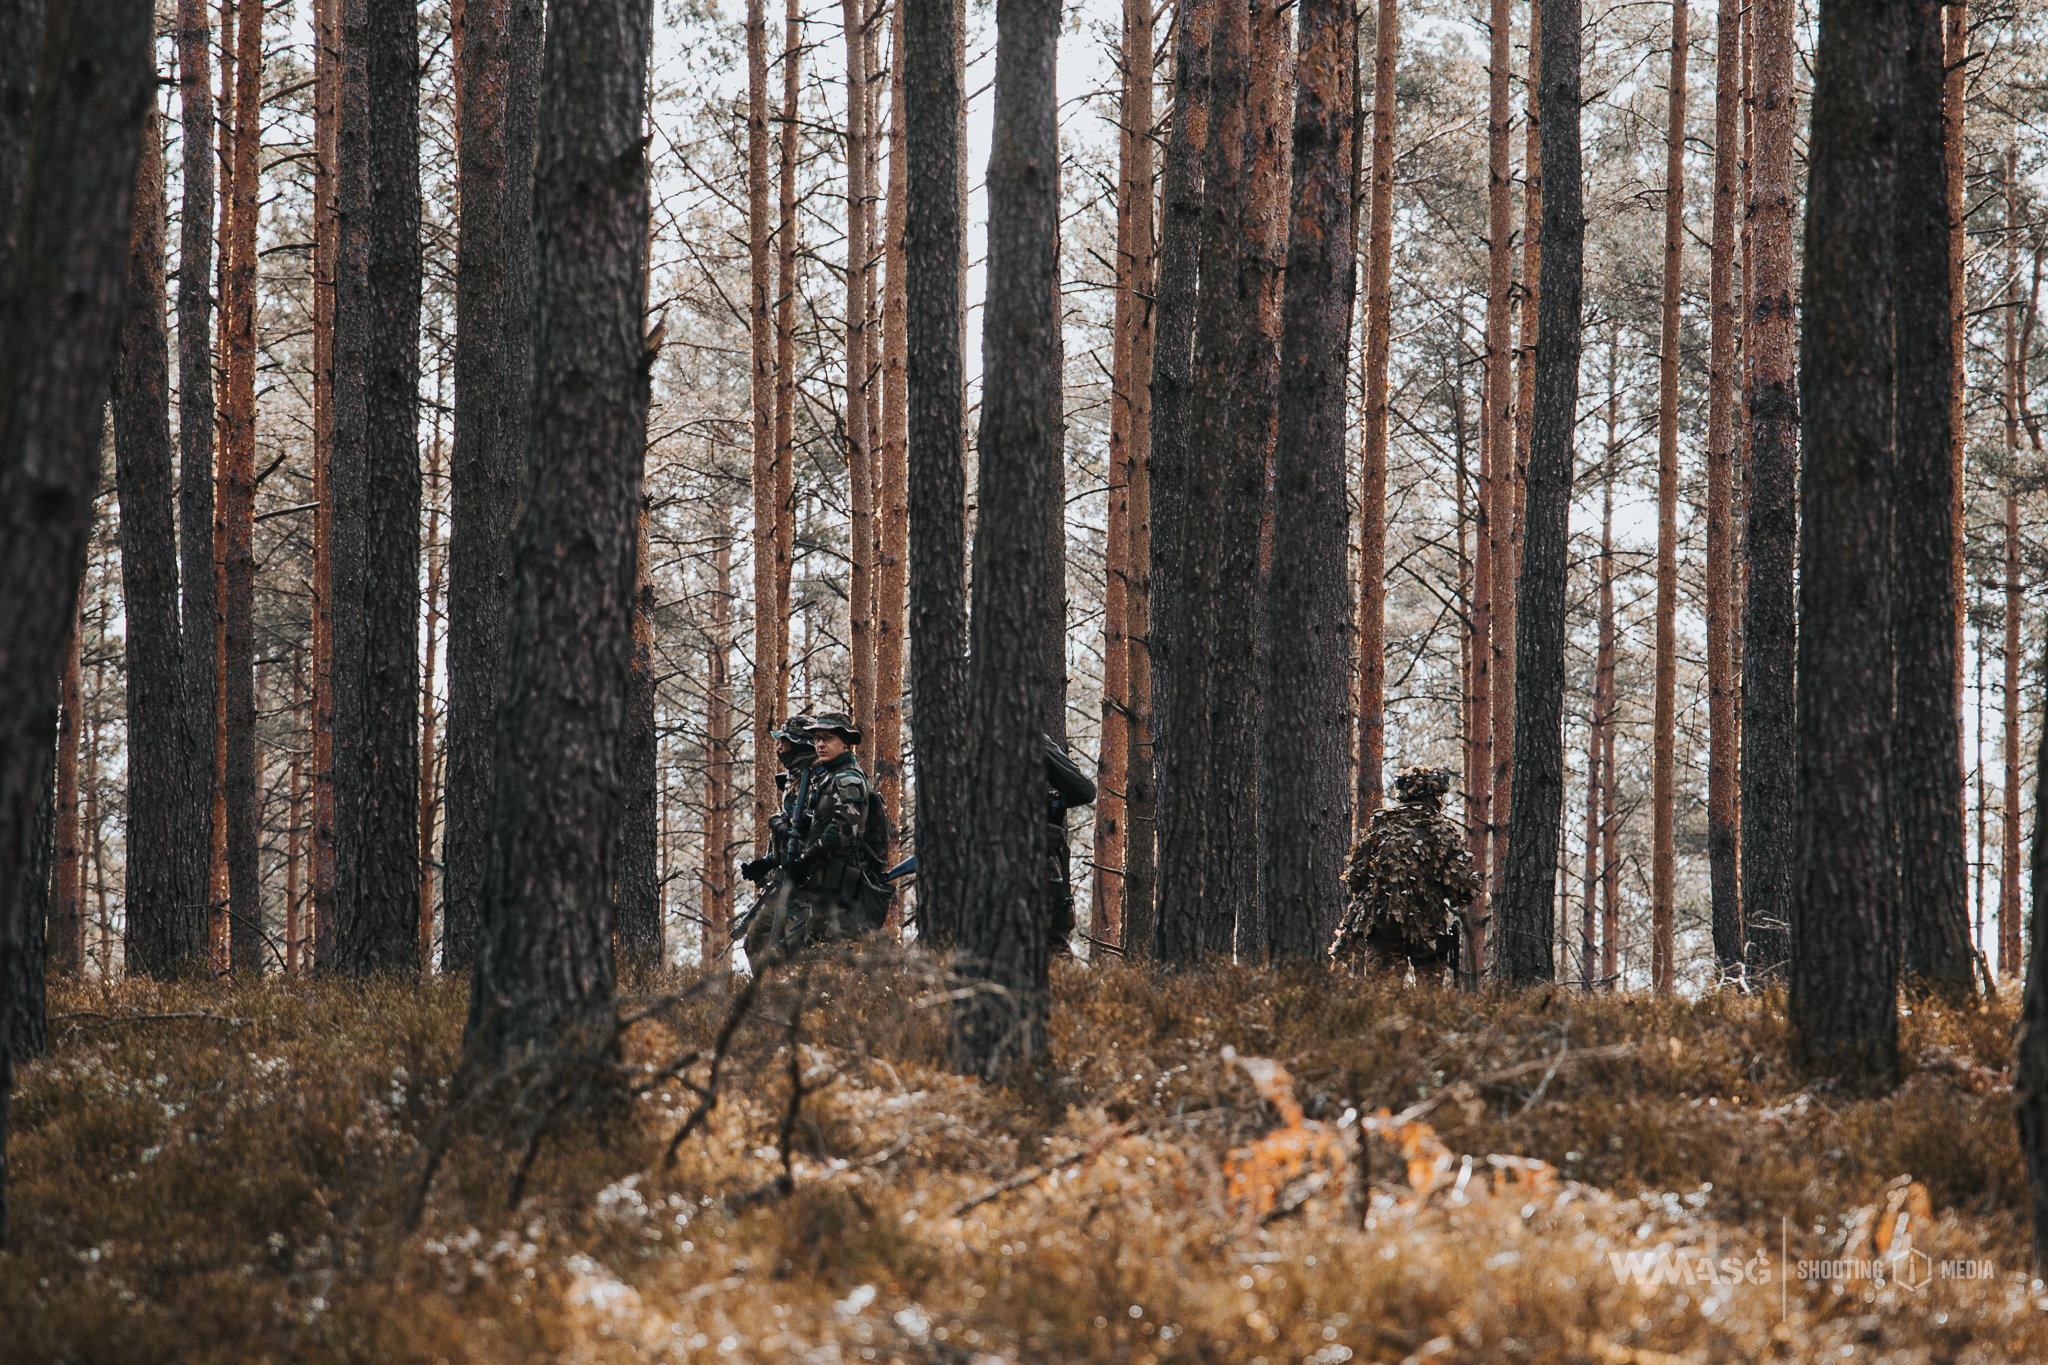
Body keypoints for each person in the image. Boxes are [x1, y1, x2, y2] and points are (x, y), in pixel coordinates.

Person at [741, 712, 891, 958]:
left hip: (841, 891)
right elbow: (822, 826)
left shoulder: (847, 777)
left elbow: (844, 829)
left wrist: (805, 860)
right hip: (822, 886)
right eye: (818, 739)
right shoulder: (831, 778)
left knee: (825, 965)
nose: (820, 744)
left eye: (827, 738)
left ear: (845, 743)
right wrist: (774, 857)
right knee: (768, 945)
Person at [1329, 765, 1480, 980]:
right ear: (1432, 797)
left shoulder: (1380, 825)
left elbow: (1355, 878)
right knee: (1428, 1001)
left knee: (1383, 999)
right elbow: (1464, 889)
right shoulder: (1441, 830)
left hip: (1383, 926)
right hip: (1427, 930)